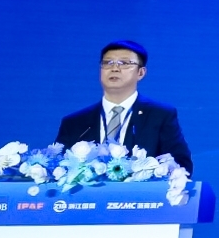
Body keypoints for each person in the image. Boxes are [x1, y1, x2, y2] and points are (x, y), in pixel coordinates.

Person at [56, 40, 193, 171]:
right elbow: (57, 166)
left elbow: (181, 164)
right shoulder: (74, 123)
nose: (114, 68)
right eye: (108, 63)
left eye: (124, 63)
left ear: (141, 73)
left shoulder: (160, 115)